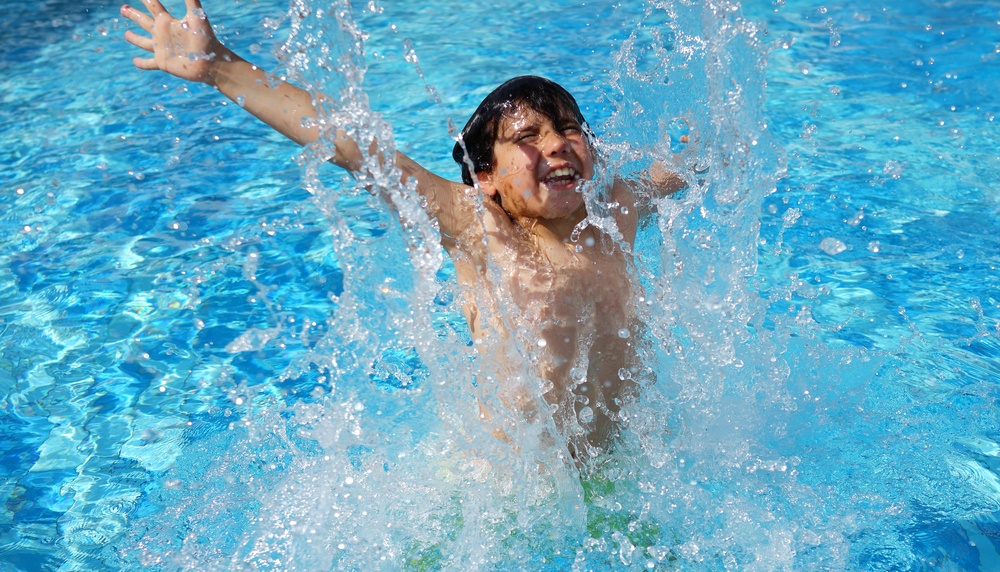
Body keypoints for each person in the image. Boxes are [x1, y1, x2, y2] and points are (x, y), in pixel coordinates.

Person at [121, 0, 687, 463]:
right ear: (485, 176)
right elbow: (356, 148)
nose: (558, 143)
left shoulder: (615, 209)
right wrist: (220, 66)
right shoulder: (479, 226)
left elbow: (692, 165)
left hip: (616, 466)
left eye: (569, 129)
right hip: (513, 491)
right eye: (528, 137)